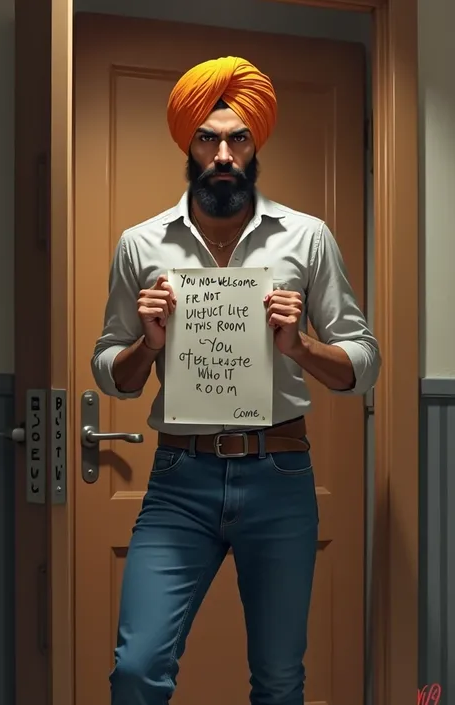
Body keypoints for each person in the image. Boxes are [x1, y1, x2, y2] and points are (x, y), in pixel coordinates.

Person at [92, 55, 381, 705]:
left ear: (255, 146)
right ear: (188, 145)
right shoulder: (141, 244)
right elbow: (111, 371)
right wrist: (148, 343)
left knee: (280, 680)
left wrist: (300, 345)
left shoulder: (307, 237)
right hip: (179, 480)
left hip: (278, 475)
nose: (223, 152)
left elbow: (364, 360)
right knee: (137, 669)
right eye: (208, 137)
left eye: (237, 138)